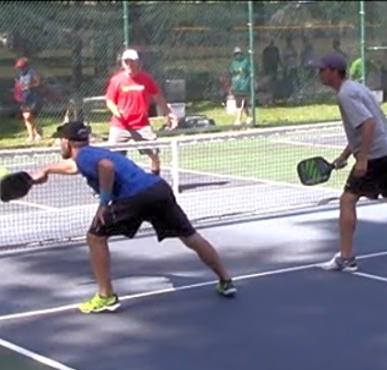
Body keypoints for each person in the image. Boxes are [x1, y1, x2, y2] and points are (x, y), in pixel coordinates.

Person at [31, 121, 237, 314]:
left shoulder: (85, 156)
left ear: (66, 142)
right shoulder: (92, 153)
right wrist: (47, 170)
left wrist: (103, 203)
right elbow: (75, 167)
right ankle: (226, 281)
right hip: (158, 189)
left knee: (95, 237)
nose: (59, 144)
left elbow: (106, 167)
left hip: (134, 197)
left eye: (60, 140)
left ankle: (106, 296)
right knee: (190, 236)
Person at [313, 52, 387, 271]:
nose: (318, 73)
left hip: (377, 155)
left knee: (347, 200)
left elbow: (368, 125)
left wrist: (362, 160)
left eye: (322, 69)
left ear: (334, 71)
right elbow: (362, 129)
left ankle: (346, 257)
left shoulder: (346, 95)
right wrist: (344, 156)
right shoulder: (355, 88)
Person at [105, 48, 178, 177]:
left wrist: (168, 113)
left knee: (154, 154)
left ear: (138, 62)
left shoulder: (146, 79)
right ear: (122, 63)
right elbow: (109, 101)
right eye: (126, 62)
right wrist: (117, 112)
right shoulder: (117, 80)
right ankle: (107, 186)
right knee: (111, 158)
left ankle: (155, 181)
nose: (129, 65)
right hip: (120, 126)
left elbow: (158, 97)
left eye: (132, 61)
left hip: (142, 125)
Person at [14, 57, 42, 142]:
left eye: (21, 67)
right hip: (23, 96)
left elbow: (38, 82)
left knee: (29, 116)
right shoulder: (20, 74)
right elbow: (17, 82)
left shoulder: (32, 72)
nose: (20, 69)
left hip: (32, 96)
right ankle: (32, 134)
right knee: (26, 117)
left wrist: (29, 86)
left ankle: (36, 132)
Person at [228, 46, 252, 126]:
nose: (238, 56)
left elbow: (250, 72)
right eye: (236, 54)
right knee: (240, 104)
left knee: (243, 103)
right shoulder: (233, 63)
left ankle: (238, 119)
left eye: (239, 54)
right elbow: (232, 73)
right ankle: (249, 117)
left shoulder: (246, 62)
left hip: (244, 86)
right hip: (236, 86)